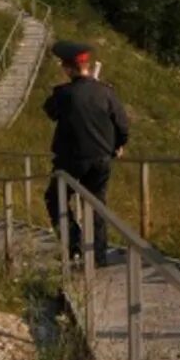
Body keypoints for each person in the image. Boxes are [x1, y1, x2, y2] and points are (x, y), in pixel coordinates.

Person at [43, 38, 129, 267]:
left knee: (55, 198)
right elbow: (122, 124)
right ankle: (98, 257)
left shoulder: (64, 94)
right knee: (97, 204)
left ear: (68, 68)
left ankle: (74, 243)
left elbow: (50, 112)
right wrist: (118, 145)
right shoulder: (106, 92)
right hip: (101, 158)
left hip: (70, 160)